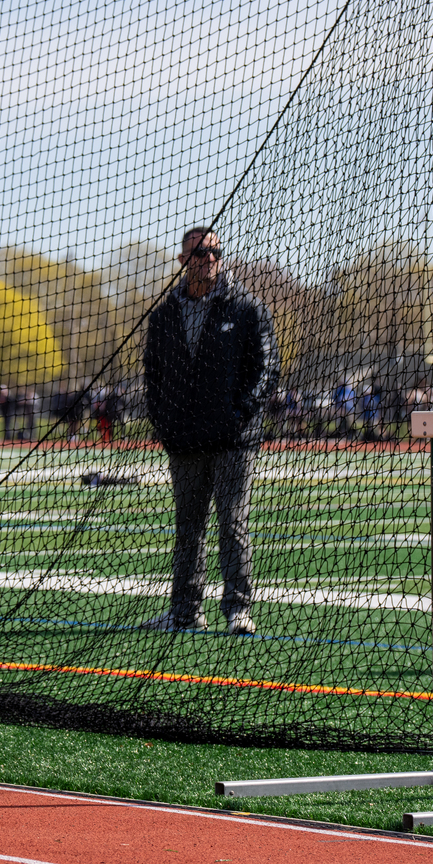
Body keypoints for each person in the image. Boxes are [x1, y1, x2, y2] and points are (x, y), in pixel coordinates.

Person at [141, 227, 276, 635]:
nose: (209, 258)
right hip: (184, 438)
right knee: (188, 528)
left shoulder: (247, 308)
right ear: (183, 261)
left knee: (232, 522)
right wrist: (164, 425)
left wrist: (239, 416)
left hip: (233, 439)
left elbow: (266, 371)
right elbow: (153, 377)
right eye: (199, 252)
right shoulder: (163, 316)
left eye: (215, 250)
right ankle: (185, 611)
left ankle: (238, 609)